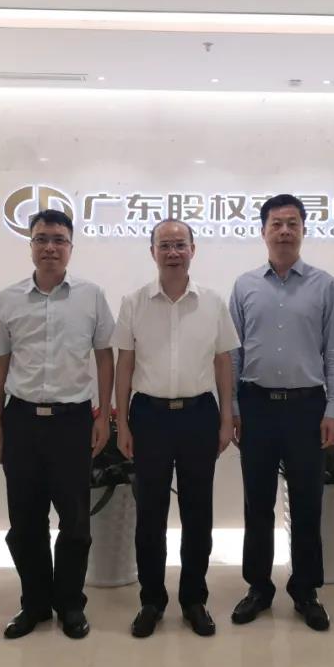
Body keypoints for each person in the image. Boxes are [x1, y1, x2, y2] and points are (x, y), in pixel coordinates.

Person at [0, 209, 115, 641]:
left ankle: (70, 604)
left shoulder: (91, 296)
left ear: (71, 247)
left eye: (59, 240)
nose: (50, 248)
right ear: (31, 246)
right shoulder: (7, 299)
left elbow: (104, 357)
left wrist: (104, 415)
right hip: (21, 420)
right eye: (41, 239)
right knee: (25, 522)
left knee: (75, 522)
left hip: (72, 422)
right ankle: (35, 604)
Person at [228, 194, 334, 632]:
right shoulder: (244, 285)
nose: (284, 230)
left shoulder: (324, 285)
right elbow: (234, 354)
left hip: (306, 408)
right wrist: (234, 407)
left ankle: (306, 590)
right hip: (257, 407)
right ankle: (258, 587)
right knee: (257, 503)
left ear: (303, 230)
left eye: (292, 223)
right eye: (276, 223)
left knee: (307, 503)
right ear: (263, 231)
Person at [113, 219, 239, 638]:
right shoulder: (134, 302)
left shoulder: (212, 302)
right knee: (150, 514)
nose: (172, 252)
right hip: (148, 417)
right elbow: (125, 364)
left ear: (192, 250)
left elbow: (223, 362)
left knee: (198, 513)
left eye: (179, 245)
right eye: (164, 245)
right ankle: (151, 601)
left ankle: (193, 600)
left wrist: (226, 418)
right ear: (152, 251)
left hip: (199, 415)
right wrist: (122, 422)